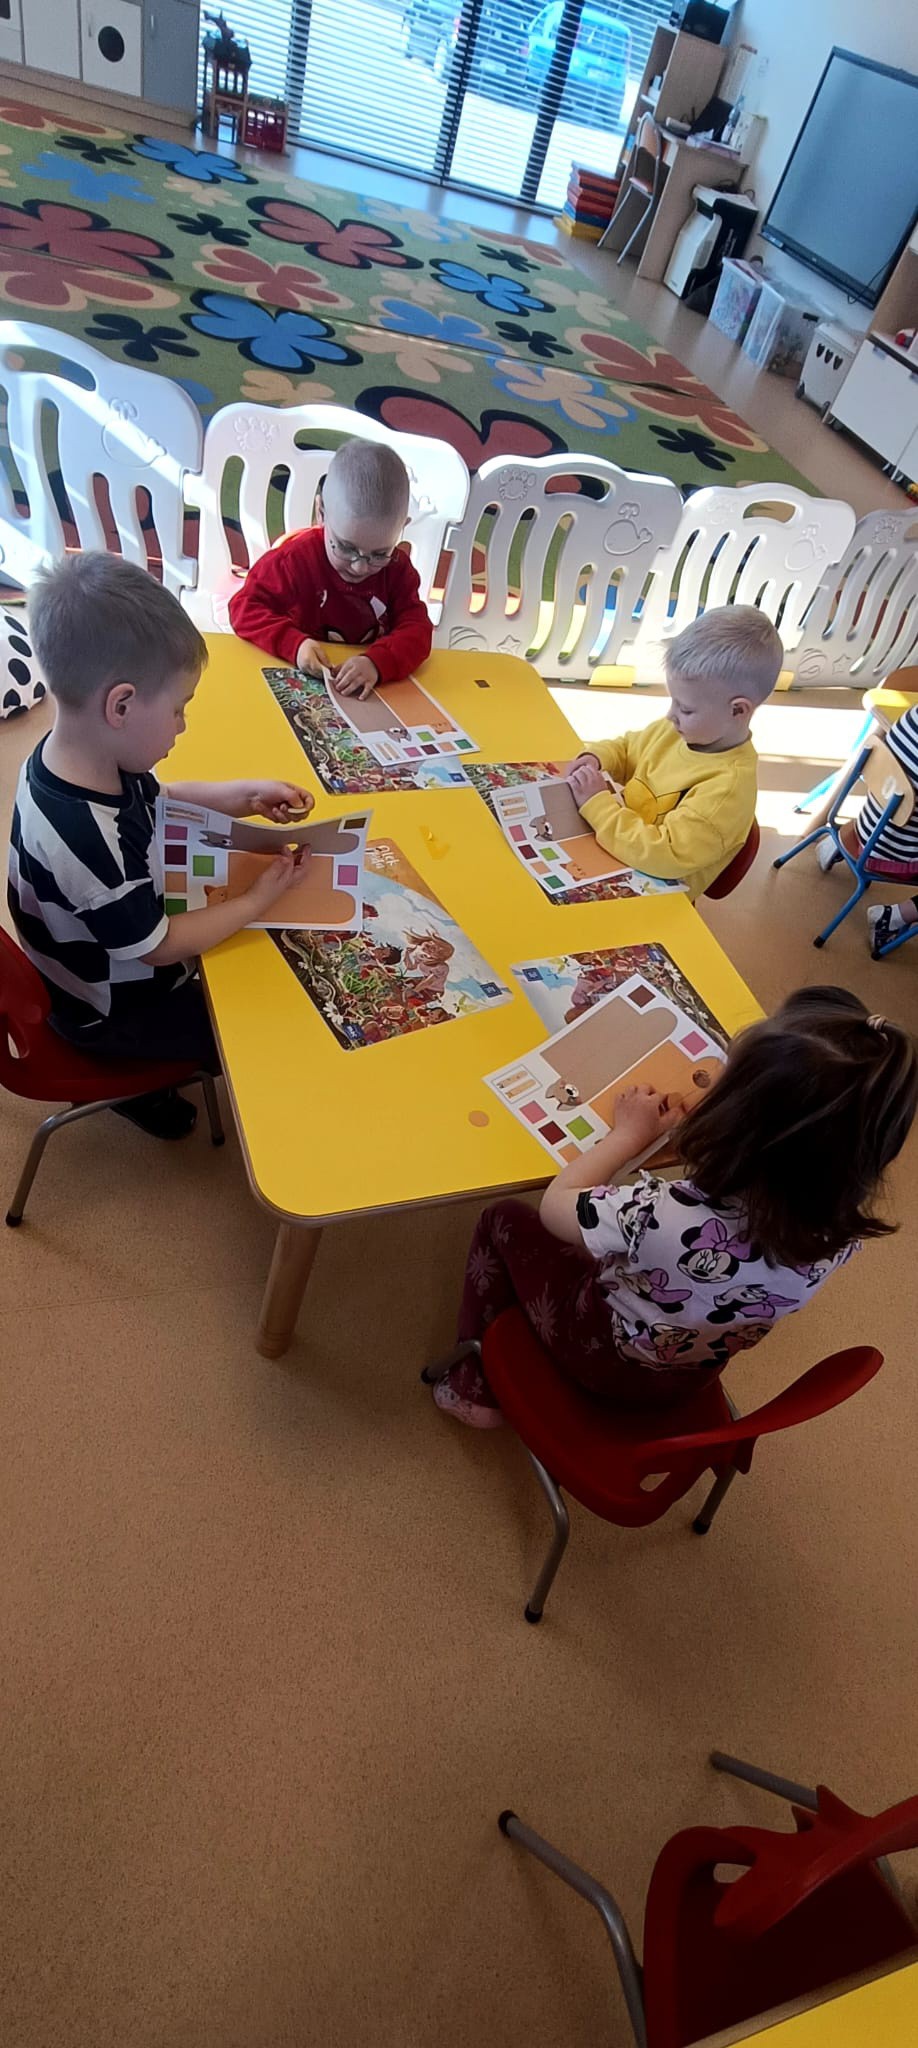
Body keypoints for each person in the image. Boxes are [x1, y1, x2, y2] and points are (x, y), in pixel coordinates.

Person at [429, 987, 917, 1429]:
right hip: (686, 1375)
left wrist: (628, 1135)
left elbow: (556, 1207)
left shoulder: (665, 1215)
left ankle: (475, 1387)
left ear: (738, 1126)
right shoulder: (839, 1237)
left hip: (600, 1356)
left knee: (502, 1218)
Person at [8, 552, 313, 1141]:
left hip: (90, 963)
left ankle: (141, 1084)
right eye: (178, 709)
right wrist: (257, 899)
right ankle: (135, 1088)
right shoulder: (89, 847)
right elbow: (160, 946)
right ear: (121, 706)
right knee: (256, 1028)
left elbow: (160, 800)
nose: (183, 725)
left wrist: (244, 795)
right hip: (104, 1012)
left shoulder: (78, 754)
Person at [565, 605, 784, 899]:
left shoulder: (727, 790)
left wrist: (597, 805)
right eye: (673, 702)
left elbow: (664, 855)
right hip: (616, 851)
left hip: (651, 897)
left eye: (686, 709)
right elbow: (628, 748)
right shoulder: (678, 730)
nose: (671, 715)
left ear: (737, 710)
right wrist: (596, 758)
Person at [228, 437, 432, 700]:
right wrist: (294, 645)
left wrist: (377, 663)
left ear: (402, 527)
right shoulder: (293, 561)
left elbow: (418, 630)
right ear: (321, 512)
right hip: (299, 679)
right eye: (346, 547)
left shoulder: (397, 571)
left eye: (380, 554)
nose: (360, 566)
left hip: (370, 692)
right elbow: (244, 607)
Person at [812, 705, 918, 955]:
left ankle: (837, 844)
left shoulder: (913, 713)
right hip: (890, 853)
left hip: (868, 824)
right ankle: (894, 917)